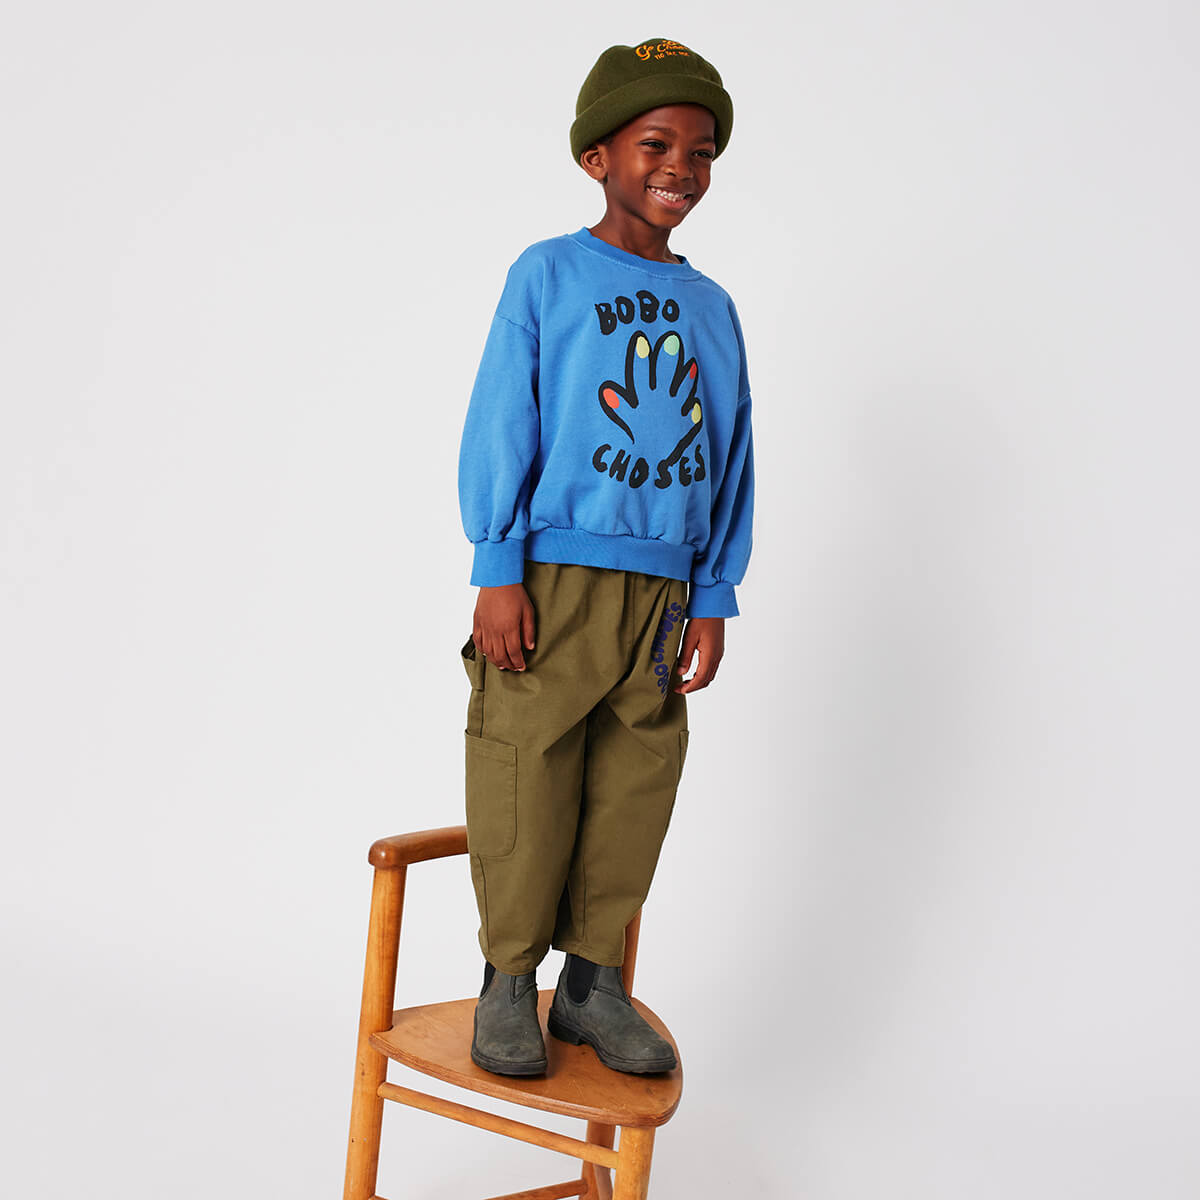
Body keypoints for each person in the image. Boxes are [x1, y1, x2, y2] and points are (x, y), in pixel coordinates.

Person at [457, 37, 755, 1077]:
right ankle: (508, 980)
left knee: (637, 782)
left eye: (701, 151)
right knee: (528, 769)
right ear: (598, 157)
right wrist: (498, 564)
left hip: (665, 590)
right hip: (555, 579)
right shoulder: (547, 273)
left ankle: (592, 985)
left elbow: (731, 449)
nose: (681, 167)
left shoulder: (713, 307)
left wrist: (713, 588)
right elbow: (505, 416)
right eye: (655, 144)